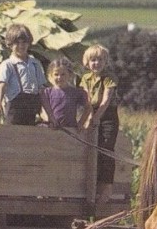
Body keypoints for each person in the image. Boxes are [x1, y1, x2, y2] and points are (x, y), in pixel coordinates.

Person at [0, 23, 54, 126]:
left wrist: (50, 115)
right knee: (14, 138)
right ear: (9, 45)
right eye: (17, 43)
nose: (21, 46)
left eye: (24, 42)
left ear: (29, 43)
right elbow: (2, 87)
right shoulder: (7, 65)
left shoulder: (35, 63)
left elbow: (42, 91)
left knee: (30, 138)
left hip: (32, 108)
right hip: (15, 109)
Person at [81, 44, 120, 207]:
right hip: (92, 112)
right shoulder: (85, 79)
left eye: (100, 60)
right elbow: (86, 100)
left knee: (106, 150)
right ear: (87, 62)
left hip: (107, 115)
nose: (96, 63)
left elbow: (105, 101)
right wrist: (89, 116)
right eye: (93, 60)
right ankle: (92, 186)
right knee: (90, 149)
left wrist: (96, 118)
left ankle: (107, 188)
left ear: (105, 62)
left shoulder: (109, 78)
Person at [43, 57, 89, 129]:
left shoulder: (76, 92)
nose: (59, 77)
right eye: (56, 74)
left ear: (70, 75)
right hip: (52, 128)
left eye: (63, 74)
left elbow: (88, 108)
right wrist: (50, 120)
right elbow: (43, 110)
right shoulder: (47, 92)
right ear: (51, 75)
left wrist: (80, 123)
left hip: (70, 129)